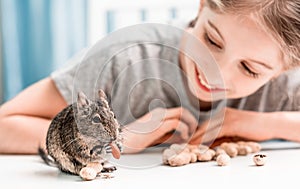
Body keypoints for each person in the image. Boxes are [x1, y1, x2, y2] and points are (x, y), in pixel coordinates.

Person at [0, 0, 300, 154]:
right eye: (212, 40)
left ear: (284, 70)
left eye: (250, 69)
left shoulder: (284, 84)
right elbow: (5, 125)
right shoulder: (124, 59)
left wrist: (248, 122)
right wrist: (114, 140)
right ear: (201, 5)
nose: (215, 71)